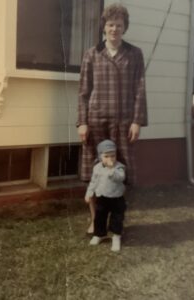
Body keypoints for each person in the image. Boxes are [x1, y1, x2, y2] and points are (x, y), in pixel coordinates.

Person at [77, 4, 148, 234]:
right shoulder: (91, 54)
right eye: (110, 24)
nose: (114, 29)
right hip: (96, 122)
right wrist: (82, 122)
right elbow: (83, 92)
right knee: (95, 172)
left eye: (119, 25)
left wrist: (137, 120)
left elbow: (140, 89)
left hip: (123, 123)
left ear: (125, 27)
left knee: (121, 172)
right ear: (104, 27)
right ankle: (96, 220)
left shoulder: (134, 54)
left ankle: (115, 220)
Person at [85, 140, 126, 252]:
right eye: (106, 156)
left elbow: (120, 178)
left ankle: (116, 236)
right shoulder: (97, 167)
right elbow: (93, 182)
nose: (110, 159)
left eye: (113, 156)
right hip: (102, 197)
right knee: (99, 216)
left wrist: (111, 169)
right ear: (100, 156)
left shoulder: (119, 167)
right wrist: (89, 193)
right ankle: (99, 234)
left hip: (116, 197)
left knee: (117, 218)